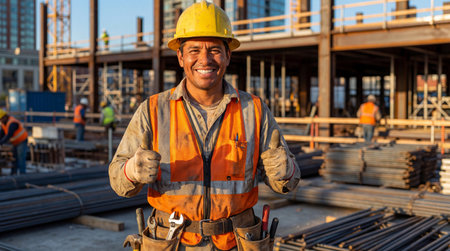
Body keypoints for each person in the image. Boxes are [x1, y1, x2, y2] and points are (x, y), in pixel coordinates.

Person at [109, 1, 300, 250]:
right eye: (194, 50)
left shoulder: (254, 110)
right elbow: (117, 180)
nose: (205, 59)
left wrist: (285, 171)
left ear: (228, 55)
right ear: (180, 57)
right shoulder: (154, 110)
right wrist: (130, 171)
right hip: (172, 241)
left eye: (214, 50)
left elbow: (288, 182)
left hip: (237, 242)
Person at [0, 109, 28, 175]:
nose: (0, 121)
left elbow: (9, 134)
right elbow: (2, 133)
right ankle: (13, 174)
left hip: (22, 141)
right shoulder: (4, 124)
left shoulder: (12, 123)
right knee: (14, 159)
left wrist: (1, 142)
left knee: (21, 159)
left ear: (4, 117)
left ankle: (22, 175)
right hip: (15, 143)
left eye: (1, 119)